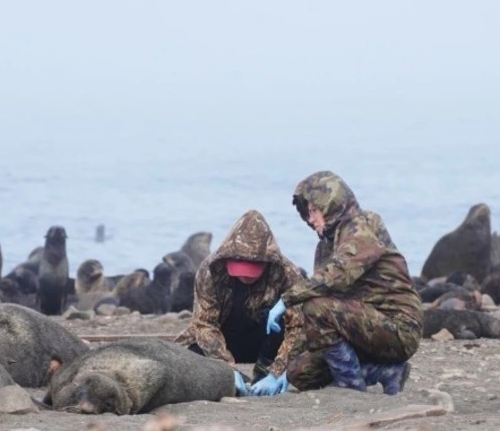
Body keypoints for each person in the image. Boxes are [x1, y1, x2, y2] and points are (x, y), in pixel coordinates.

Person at [265, 170, 423, 395]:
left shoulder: (362, 226)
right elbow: (319, 313)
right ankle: (387, 372)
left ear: (330, 204)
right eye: (308, 212)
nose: (310, 219)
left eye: (315, 210)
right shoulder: (326, 246)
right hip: (358, 329)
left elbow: (339, 274)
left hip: (397, 327)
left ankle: (350, 385)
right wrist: (278, 371)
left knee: (317, 307)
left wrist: (286, 299)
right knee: (299, 372)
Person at [174, 209, 306, 397]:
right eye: (240, 269)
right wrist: (227, 368)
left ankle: (264, 373)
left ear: (266, 261)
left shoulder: (287, 272)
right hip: (225, 338)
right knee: (192, 355)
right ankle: (234, 378)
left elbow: (297, 326)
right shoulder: (210, 270)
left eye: (252, 270)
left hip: (265, 341)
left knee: (282, 325)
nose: (245, 276)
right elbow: (204, 324)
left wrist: (278, 371)